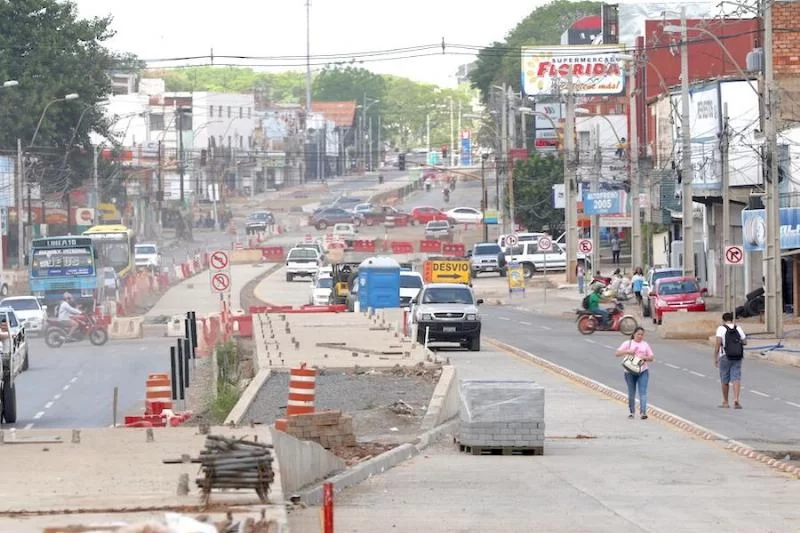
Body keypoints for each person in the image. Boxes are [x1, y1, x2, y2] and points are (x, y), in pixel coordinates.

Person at [615, 327, 655, 419]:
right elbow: (617, 353)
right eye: (638, 334)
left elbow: (651, 357)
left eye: (642, 334)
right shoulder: (627, 343)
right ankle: (632, 411)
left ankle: (643, 412)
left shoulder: (645, 344)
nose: (640, 336)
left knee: (643, 392)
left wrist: (644, 357)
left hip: (643, 370)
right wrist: (628, 351)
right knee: (631, 392)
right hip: (629, 371)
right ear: (634, 334)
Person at [714, 312, 747, 409]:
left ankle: (725, 401)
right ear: (732, 319)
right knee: (736, 378)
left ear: (723, 320)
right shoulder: (738, 328)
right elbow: (745, 342)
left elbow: (718, 344)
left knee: (725, 379)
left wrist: (715, 357)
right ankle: (736, 399)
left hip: (725, 356)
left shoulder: (721, 329)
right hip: (737, 355)